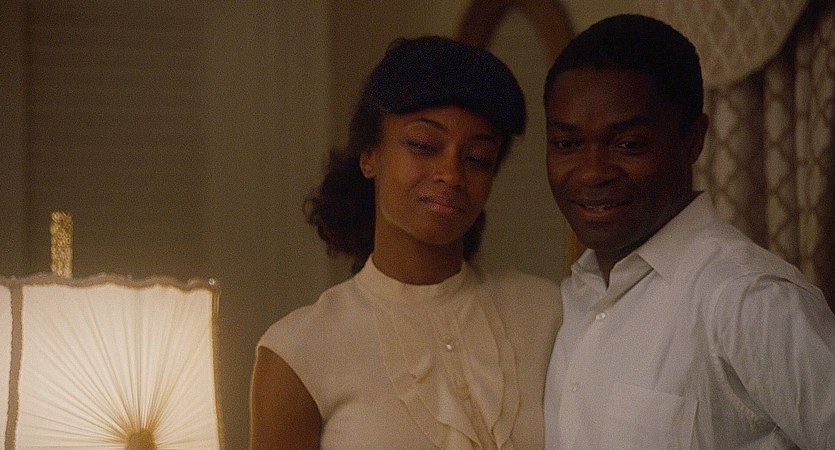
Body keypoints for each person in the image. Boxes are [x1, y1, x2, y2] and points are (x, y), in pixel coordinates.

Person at [250, 35, 561, 449]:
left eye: (476, 159)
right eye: (423, 146)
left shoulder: (548, 313)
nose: (451, 174)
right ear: (370, 156)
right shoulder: (298, 352)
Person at [542, 14, 835, 449]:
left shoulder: (747, 297)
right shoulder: (571, 299)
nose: (591, 173)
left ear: (693, 140)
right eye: (567, 144)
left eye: (628, 144)